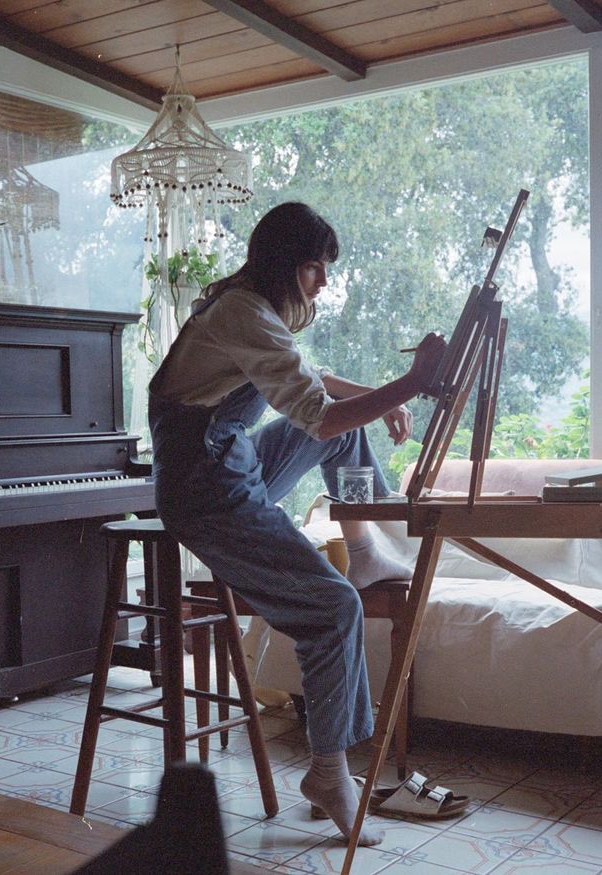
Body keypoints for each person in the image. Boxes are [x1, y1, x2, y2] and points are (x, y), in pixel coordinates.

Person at [148, 202, 446, 846]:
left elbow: (309, 382)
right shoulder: (240, 313)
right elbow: (321, 414)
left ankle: (364, 550)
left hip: (229, 458)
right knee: (334, 608)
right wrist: (409, 383)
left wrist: (376, 392)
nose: (324, 282)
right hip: (205, 489)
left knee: (345, 437)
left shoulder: (250, 308)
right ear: (290, 264)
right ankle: (328, 771)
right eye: (317, 268)